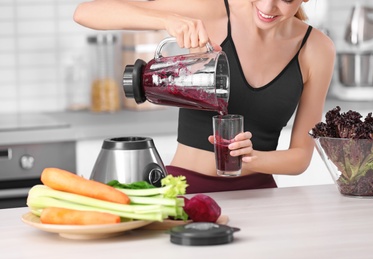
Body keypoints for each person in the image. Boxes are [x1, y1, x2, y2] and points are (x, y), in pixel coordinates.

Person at [74, 0, 335, 193]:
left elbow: (301, 156)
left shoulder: (317, 49)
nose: (268, 6)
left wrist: (253, 157)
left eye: (286, 0)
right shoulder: (214, 10)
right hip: (185, 189)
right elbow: (86, 12)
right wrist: (168, 20)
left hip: (260, 196)